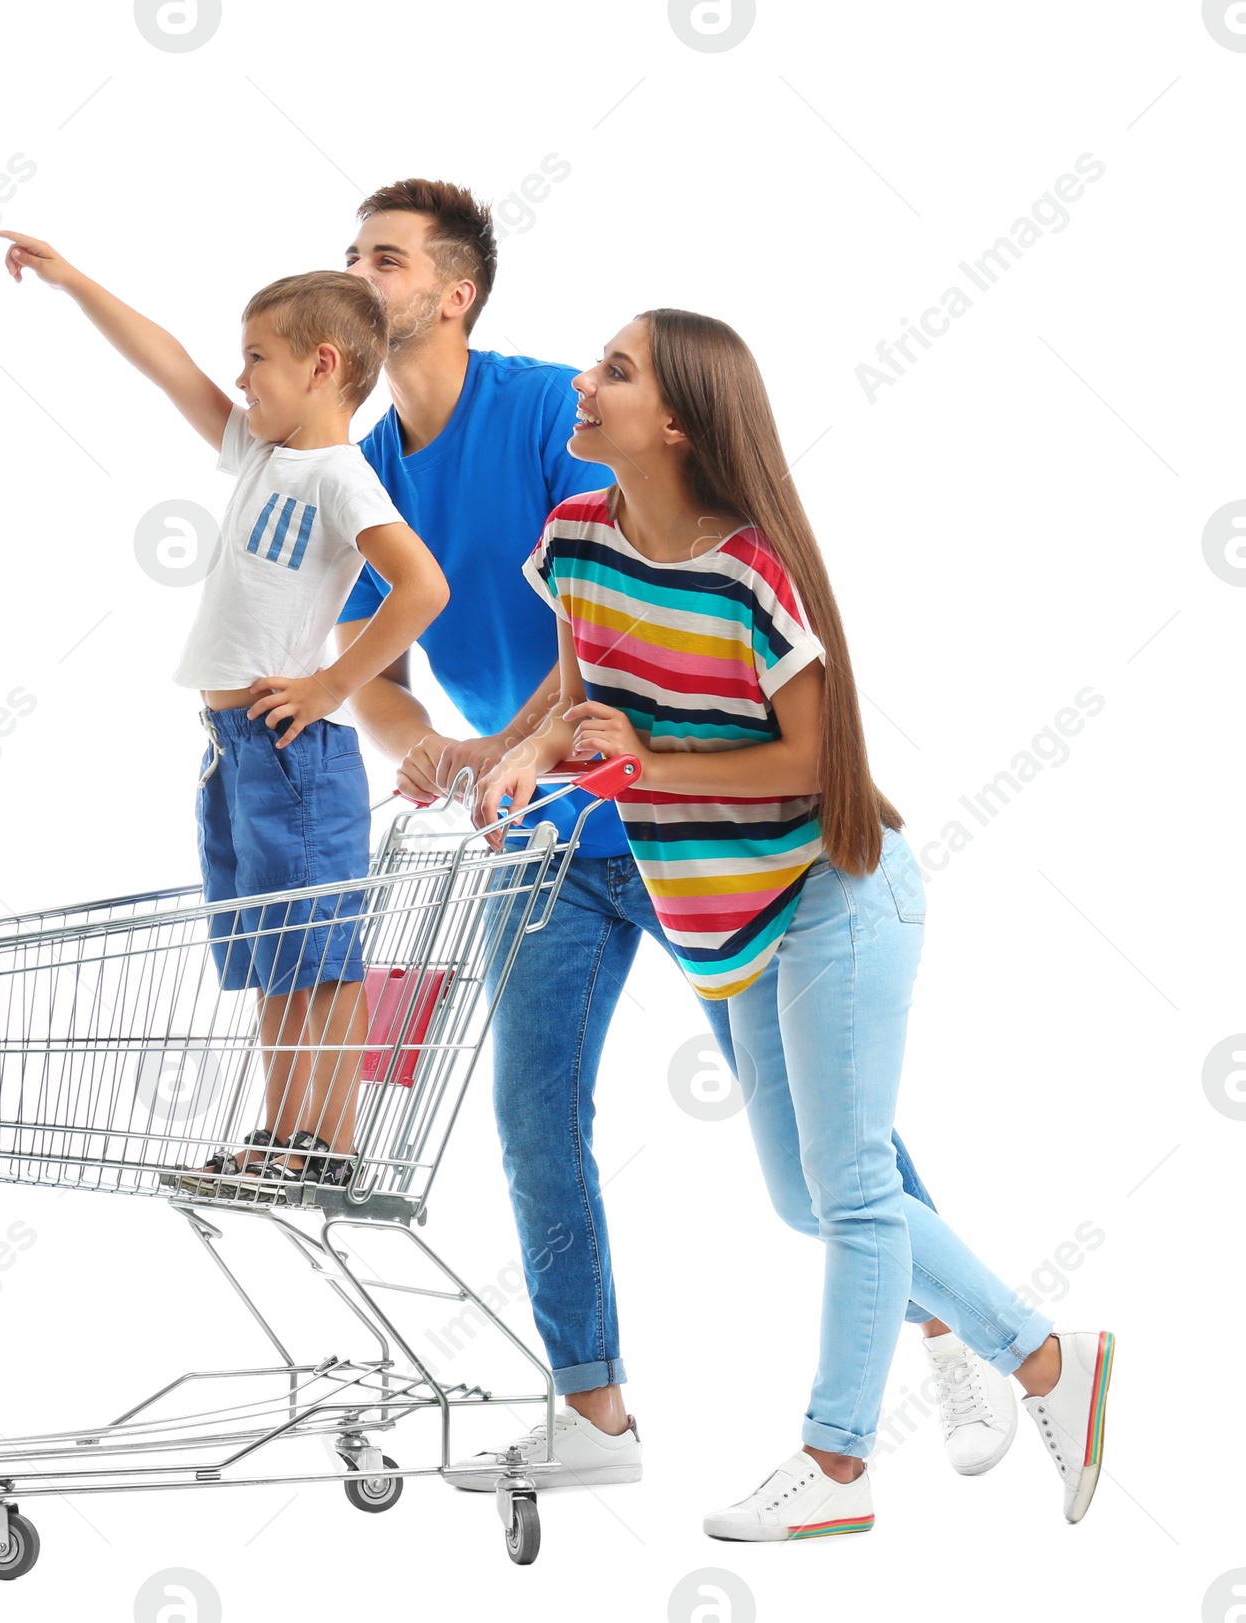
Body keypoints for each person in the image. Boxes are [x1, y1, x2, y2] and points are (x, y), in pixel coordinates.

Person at [332, 181, 959, 1493]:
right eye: (348, 253)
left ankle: (950, 1326)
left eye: (381, 258)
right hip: (543, 833)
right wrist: (444, 750)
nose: (354, 273)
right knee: (531, 1110)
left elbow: (646, 588)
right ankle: (593, 1413)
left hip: (684, 827)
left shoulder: (552, 416)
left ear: (452, 294)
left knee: (820, 1139)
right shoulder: (369, 468)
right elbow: (370, 666)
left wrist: (582, 747)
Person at [474, 306, 1115, 1535]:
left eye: (612, 370)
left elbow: (811, 757)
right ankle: (1049, 1364)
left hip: (835, 892)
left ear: (672, 421)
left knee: (855, 1189)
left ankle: (834, 1471)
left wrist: (643, 764)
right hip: (729, 917)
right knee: (807, 1198)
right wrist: (527, 759)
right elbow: (578, 705)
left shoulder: (748, 569)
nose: (582, 380)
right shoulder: (575, 538)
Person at [0, 234, 449, 1197]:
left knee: (314, 960)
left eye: (257, 360)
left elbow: (422, 587)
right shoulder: (260, 450)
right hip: (237, 749)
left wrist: (329, 687)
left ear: (322, 367)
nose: (238, 381)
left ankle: (321, 1140)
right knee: (275, 957)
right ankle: (284, 1133)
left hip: (294, 752)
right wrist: (75, 280)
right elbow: (171, 368)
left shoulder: (339, 477)